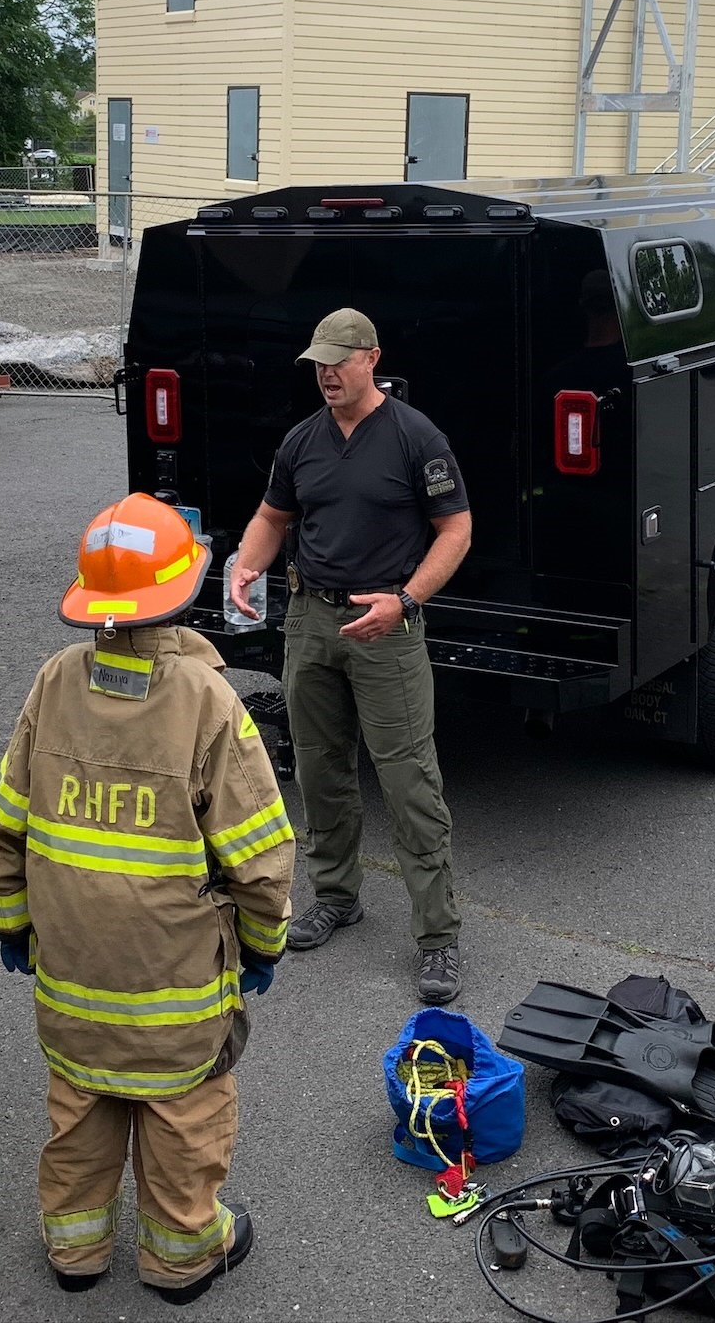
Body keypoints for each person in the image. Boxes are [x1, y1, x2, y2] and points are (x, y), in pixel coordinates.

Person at [0, 494, 292, 1305]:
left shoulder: (54, 682)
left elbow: (2, 821)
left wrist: (13, 923)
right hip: (176, 984)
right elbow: (260, 857)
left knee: (79, 1106)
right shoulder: (207, 701)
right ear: (185, 589)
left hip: (70, 974)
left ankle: (75, 1250)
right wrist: (262, 947)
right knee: (185, 1114)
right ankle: (182, 1257)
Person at [226, 308, 472, 1005]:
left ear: (372, 359)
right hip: (311, 620)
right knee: (319, 765)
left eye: (340, 360)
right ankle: (336, 894)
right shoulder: (302, 441)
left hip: (386, 626)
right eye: (319, 363)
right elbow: (274, 517)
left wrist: (407, 599)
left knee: (407, 779)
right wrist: (247, 567)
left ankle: (438, 936)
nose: (327, 373)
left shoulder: (414, 436)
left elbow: (455, 529)